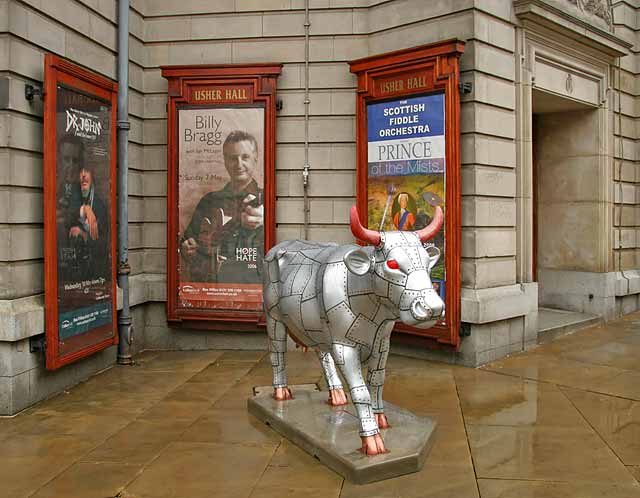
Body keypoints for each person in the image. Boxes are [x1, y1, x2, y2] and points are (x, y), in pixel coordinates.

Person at [181, 130, 264, 283]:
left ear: (255, 159)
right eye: (233, 158)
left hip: (251, 288)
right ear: (225, 161)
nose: (239, 164)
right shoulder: (209, 201)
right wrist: (187, 248)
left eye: (245, 157)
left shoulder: (265, 200)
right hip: (210, 288)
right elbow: (187, 240)